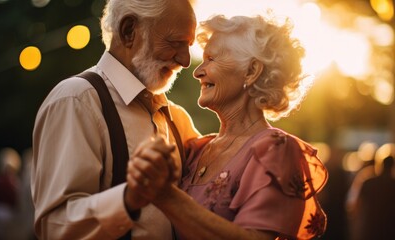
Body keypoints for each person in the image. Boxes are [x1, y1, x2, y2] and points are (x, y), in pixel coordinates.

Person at [127, 15, 328, 240]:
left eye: (211, 59)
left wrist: (167, 196)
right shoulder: (196, 149)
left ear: (252, 71)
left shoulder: (276, 150)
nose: (197, 71)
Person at [31, 0, 199, 239]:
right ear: (129, 31)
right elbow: (55, 226)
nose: (184, 60)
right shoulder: (76, 100)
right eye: (175, 43)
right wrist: (129, 198)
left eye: (189, 45)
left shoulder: (177, 117)